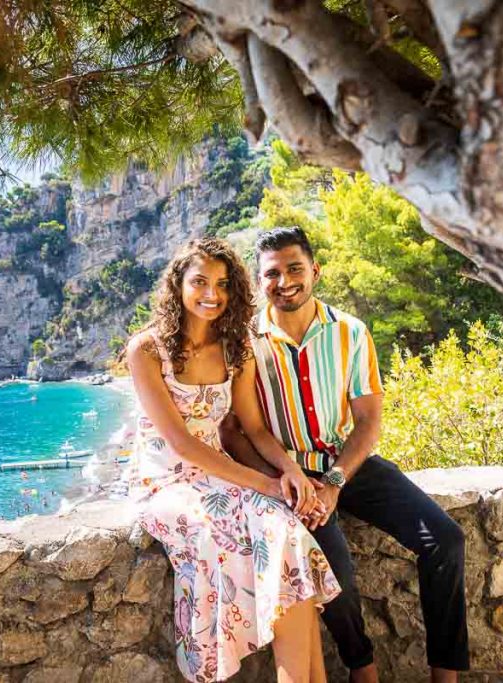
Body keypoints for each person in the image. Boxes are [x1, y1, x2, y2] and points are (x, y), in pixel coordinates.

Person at [220, 227, 470, 682]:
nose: (285, 281)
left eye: (295, 268)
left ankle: (445, 676)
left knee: (445, 539)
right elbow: (238, 431)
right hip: (287, 476)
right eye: (272, 273)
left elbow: (369, 421)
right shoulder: (244, 343)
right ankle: (363, 669)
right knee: (337, 573)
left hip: (346, 465)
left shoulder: (350, 332)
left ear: (315, 270)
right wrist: (289, 478)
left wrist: (335, 481)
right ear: (260, 283)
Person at [125, 237, 342, 683]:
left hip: (219, 477)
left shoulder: (235, 346)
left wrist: (292, 474)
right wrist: (266, 484)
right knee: (212, 541)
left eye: (223, 284)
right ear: (178, 285)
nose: (212, 294)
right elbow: (183, 446)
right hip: (164, 483)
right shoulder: (146, 350)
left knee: (285, 529)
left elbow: (255, 429)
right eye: (199, 281)